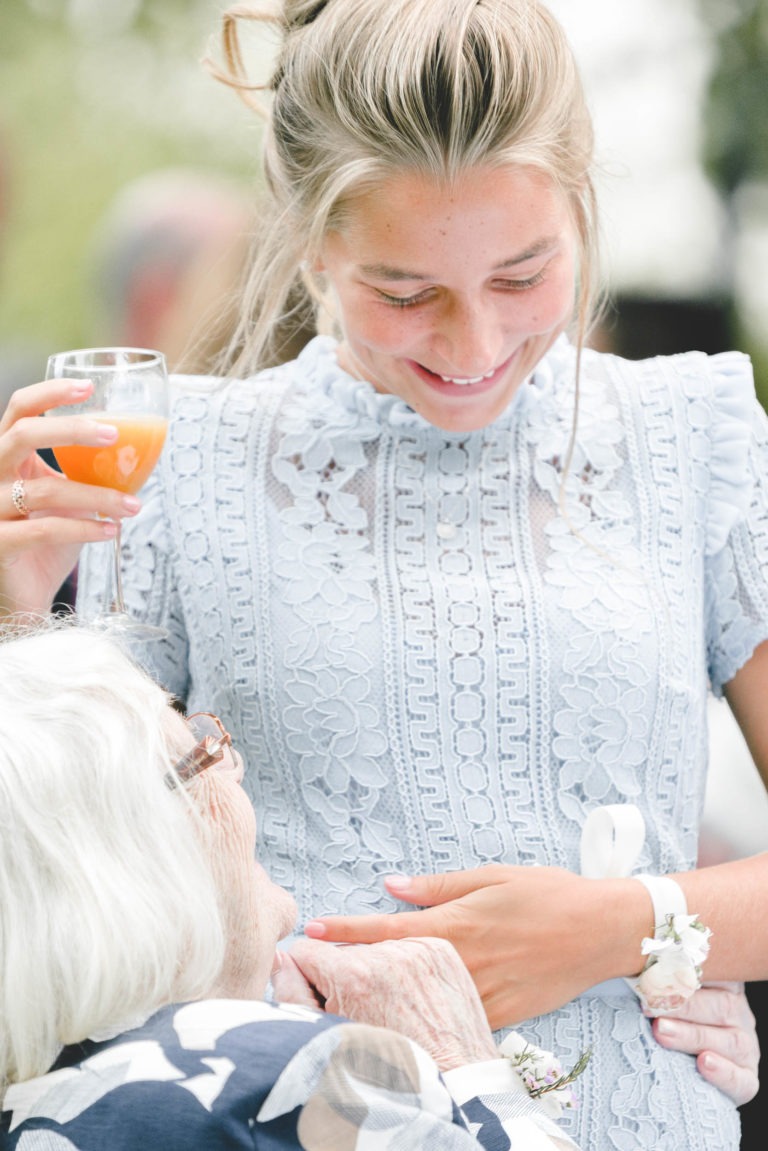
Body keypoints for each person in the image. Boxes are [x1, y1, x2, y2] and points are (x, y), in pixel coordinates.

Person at [0, 0, 766, 1145]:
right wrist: (16, 616)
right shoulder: (180, 461)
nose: (471, 347)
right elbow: (68, 886)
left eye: (523, 275)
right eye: (406, 293)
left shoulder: (694, 436)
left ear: (580, 208)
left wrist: (634, 927)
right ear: (310, 241)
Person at [0, 623, 577, 1151]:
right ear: (138, 837)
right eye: (205, 754)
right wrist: (464, 1062)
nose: (236, 771)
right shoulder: (297, 1070)